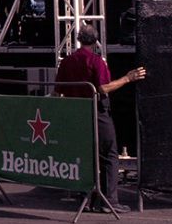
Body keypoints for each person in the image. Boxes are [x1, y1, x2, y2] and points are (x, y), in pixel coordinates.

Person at [54, 26, 146, 214]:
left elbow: (58, 90)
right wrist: (128, 78)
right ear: (96, 41)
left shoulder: (67, 62)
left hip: (76, 113)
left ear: (79, 39)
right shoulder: (96, 62)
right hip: (97, 111)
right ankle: (109, 201)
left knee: (85, 155)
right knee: (109, 155)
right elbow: (103, 88)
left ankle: (86, 198)